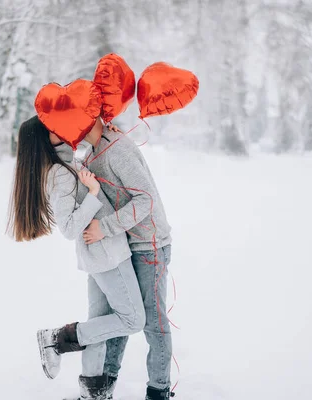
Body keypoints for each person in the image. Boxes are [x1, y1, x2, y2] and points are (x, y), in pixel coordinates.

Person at [7, 115, 145, 400]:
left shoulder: (66, 162)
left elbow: (89, 153)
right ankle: (57, 339)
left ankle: (92, 392)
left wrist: (109, 133)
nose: (60, 126)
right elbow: (69, 228)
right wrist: (93, 193)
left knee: (98, 323)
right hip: (108, 255)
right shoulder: (58, 173)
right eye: (51, 128)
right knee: (133, 320)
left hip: (100, 255)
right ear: (44, 140)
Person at [81, 118, 174, 400]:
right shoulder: (90, 153)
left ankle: (158, 391)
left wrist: (104, 228)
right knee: (120, 316)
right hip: (123, 246)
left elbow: (145, 200)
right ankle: (105, 387)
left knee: (152, 323)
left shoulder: (118, 149)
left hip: (149, 245)